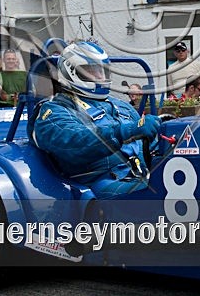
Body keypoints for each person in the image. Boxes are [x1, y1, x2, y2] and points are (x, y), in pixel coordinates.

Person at [30, 41, 160, 198]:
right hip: (102, 184)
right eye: (92, 71)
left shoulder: (121, 105)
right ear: (72, 71)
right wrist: (125, 131)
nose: (100, 76)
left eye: (101, 71)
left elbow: (151, 144)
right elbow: (75, 141)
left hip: (142, 174)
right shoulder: (55, 111)